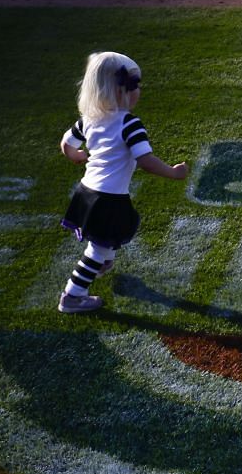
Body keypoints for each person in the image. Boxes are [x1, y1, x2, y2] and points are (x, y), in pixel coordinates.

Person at [56, 50, 189, 314]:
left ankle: (103, 262)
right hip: (109, 198)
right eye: (135, 86)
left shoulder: (89, 120)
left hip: (87, 192)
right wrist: (174, 173)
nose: (139, 92)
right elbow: (145, 161)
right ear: (121, 91)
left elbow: (66, 144)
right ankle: (72, 296)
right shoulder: (129, 124)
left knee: (106, 240)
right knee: (97, 248)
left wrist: (78, 156)